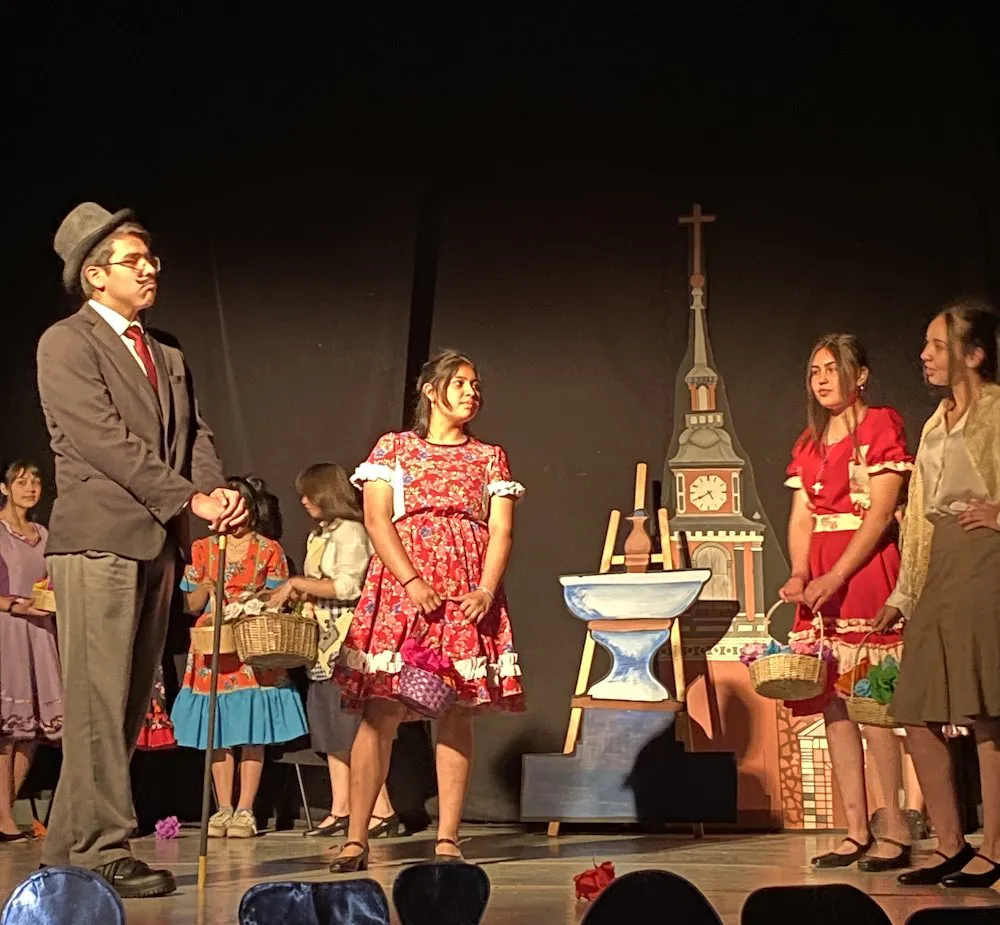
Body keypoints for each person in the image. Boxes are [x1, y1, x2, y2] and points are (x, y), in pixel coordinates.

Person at [36, 203, 247, 897]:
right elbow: (102, 439)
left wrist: (214, 493)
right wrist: (185, 498)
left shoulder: (168, 352)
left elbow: (195, 435)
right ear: (95, 276)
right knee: (97, 699)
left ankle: (70, 848)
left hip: (154, 543)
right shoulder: (67, 343)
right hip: (99, 539)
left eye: (151, 257)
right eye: (134, 260)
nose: (150, 268)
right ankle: (101, 847)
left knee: (125, 701)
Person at [329, 350, 525, 872]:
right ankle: (356, 837)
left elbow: (501, 529)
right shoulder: (395, 448)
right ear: (431, 391)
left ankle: (448, 837)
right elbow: (377, 519)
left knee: (456, 709)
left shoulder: (489, 457)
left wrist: (485, 589)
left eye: (475, 384)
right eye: (459, 383)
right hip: (403, 590)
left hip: (464, 593)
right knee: (382, 710)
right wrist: (412, 581)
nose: (470, 392)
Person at [874, 299, 1000, 888]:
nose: (925, 355)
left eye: (938, 345)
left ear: (973, 355)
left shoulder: (997, 410)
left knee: (987, 711)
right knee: (916, 710)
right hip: (940, 562)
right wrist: (904, 593)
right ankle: (951, 843)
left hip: (986, 559)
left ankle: (994, 847)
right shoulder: (936, 421)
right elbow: (921, 516)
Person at [779, 334, 914, 870]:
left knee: (871, 704)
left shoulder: (880, 425)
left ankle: (893, 826)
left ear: (860, 375)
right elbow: (802, 516)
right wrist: (799, 573)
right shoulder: (810, 441)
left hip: (863, 573)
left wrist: (836, 575)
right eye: (815, 371)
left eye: (832, 369)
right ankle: (855, 829)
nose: (822, 379)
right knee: (832, 706)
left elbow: (880, 514)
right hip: (820, 583)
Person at [171, 476, 307, 838]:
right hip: (213, 643)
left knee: (251, 727)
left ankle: (246, 809)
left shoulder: (268, 550)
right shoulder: (202, 548)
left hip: (250, 640)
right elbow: (191, 604)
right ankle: (223, 808)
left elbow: (278, 599)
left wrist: (250, 601)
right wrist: (206, 587)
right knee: (217, 730)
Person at [267, 463, 397, 839]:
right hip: (323, 645)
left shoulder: (350, 531)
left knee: (351, 728)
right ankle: (342, 807)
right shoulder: (321, 533)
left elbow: (347, 586)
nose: (303, 501)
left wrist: (297, 584)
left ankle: (381, 809)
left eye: (308, 494)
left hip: (347, 641)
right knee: (329, 728)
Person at [0, 462, 62, 842]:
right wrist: (14, 605)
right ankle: (4, 817)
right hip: (8, 628)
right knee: (6, 730)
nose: (30, 488)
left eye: (35, 482)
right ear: (5, 488)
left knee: (30, 731)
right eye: (21, 482)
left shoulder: (43, 534)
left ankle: (4, 811)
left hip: (39, 631)